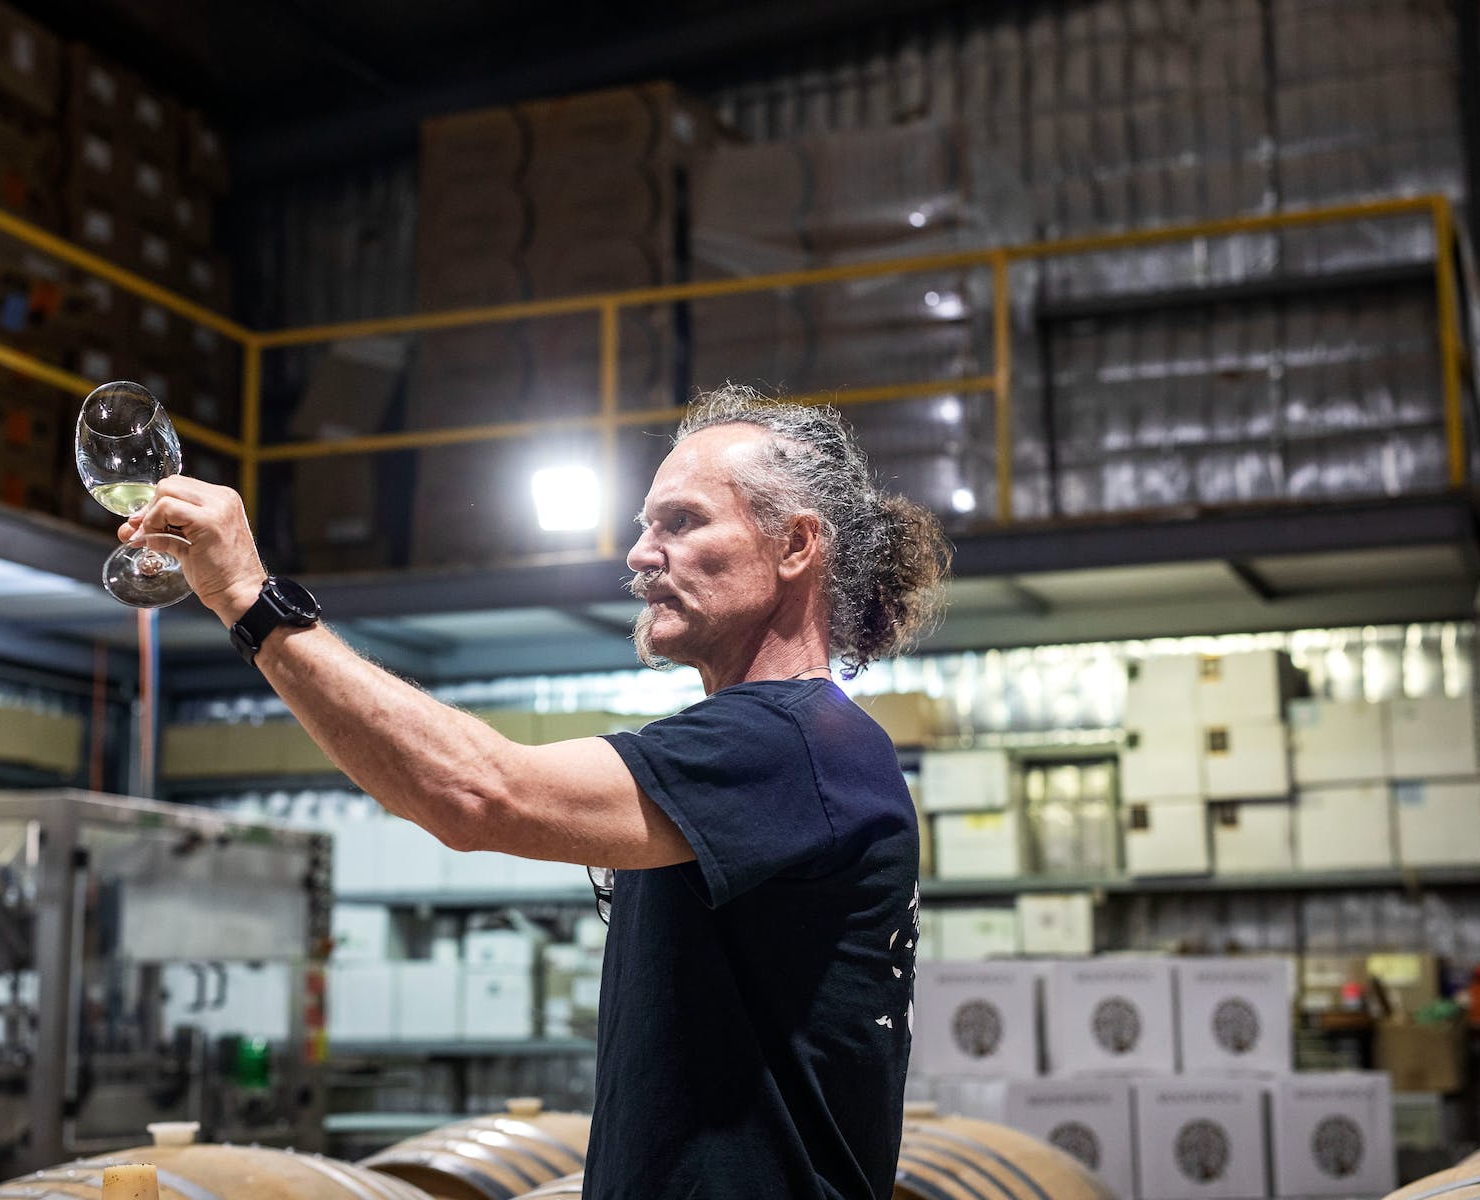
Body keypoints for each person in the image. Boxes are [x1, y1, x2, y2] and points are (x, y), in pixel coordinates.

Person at [125, 384, 951, 1199]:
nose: (639, 553)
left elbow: (477, 793)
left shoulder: (789, 743)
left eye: (683, 521)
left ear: (796, 546)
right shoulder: (789, 746)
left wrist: (250, 599)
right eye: (643, 526)